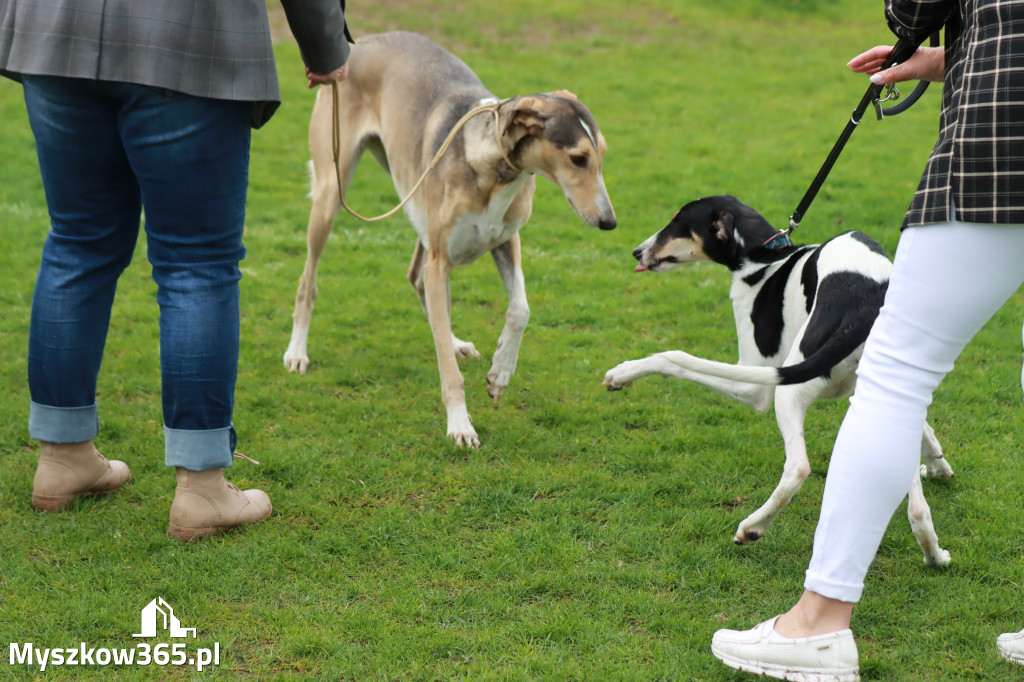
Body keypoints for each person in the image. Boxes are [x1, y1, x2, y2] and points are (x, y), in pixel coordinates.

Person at [710, 0, 1024, 679]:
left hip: (1007, 130)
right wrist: (949, 58)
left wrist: (925, 28)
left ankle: (817, 628)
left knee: (894, 375)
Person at [0, 0, 353, 541]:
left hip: (54, 30)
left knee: (77, 243)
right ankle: (201, 489)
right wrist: (326, 45)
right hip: (188, 38)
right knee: (197, 263)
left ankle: (63, 455)